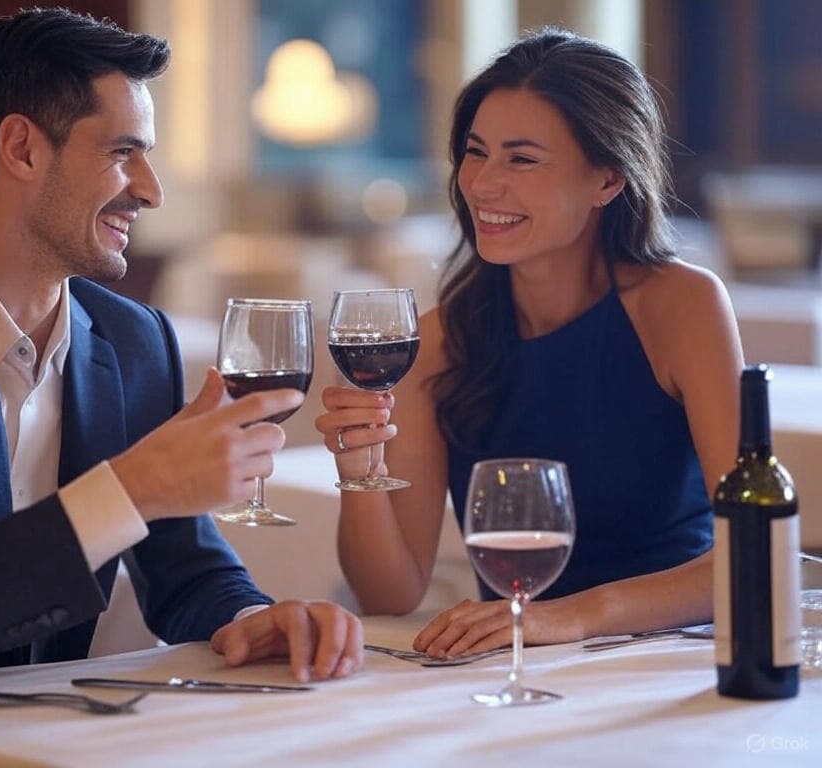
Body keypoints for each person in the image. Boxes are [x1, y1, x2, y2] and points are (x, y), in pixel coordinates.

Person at [0, 8, 362, 704]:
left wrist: (253, 618)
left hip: (48, 735)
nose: (151, 189)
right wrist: (126, 490)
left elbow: (184, 570)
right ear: (23, 149)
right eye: (124, 152)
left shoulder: (135, 342)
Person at [316, 28, 743, 658]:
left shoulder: (681, 306)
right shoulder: (437, 341)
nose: (484, 184)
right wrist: (359, 474)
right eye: (475, 152)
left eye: (521, 159)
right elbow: (391, 594)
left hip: (669, 657)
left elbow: (751, 554)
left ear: (607, 180)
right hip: (511, 665)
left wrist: (574, 615)